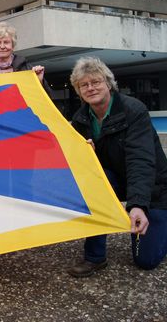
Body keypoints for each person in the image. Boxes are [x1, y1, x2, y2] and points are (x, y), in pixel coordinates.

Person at [67, 57, 167, 277]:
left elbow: (140, 160)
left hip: (153, 185)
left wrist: (138, 205)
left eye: (96, 82)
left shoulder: (133, 110)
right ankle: (94, 257)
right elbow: (82, 167)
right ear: (78, 90)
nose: (90, 88)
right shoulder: (81, 118)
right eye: (84, 85)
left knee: (146, 260)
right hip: (116, 179)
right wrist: (85, 155)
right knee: (94, 184)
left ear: (108, 83)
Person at [0, 22, 48, 90]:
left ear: (13, 46)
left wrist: (39, 81)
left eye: (6, 42)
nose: (2, 46)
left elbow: (41, 99)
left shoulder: (27, 68)